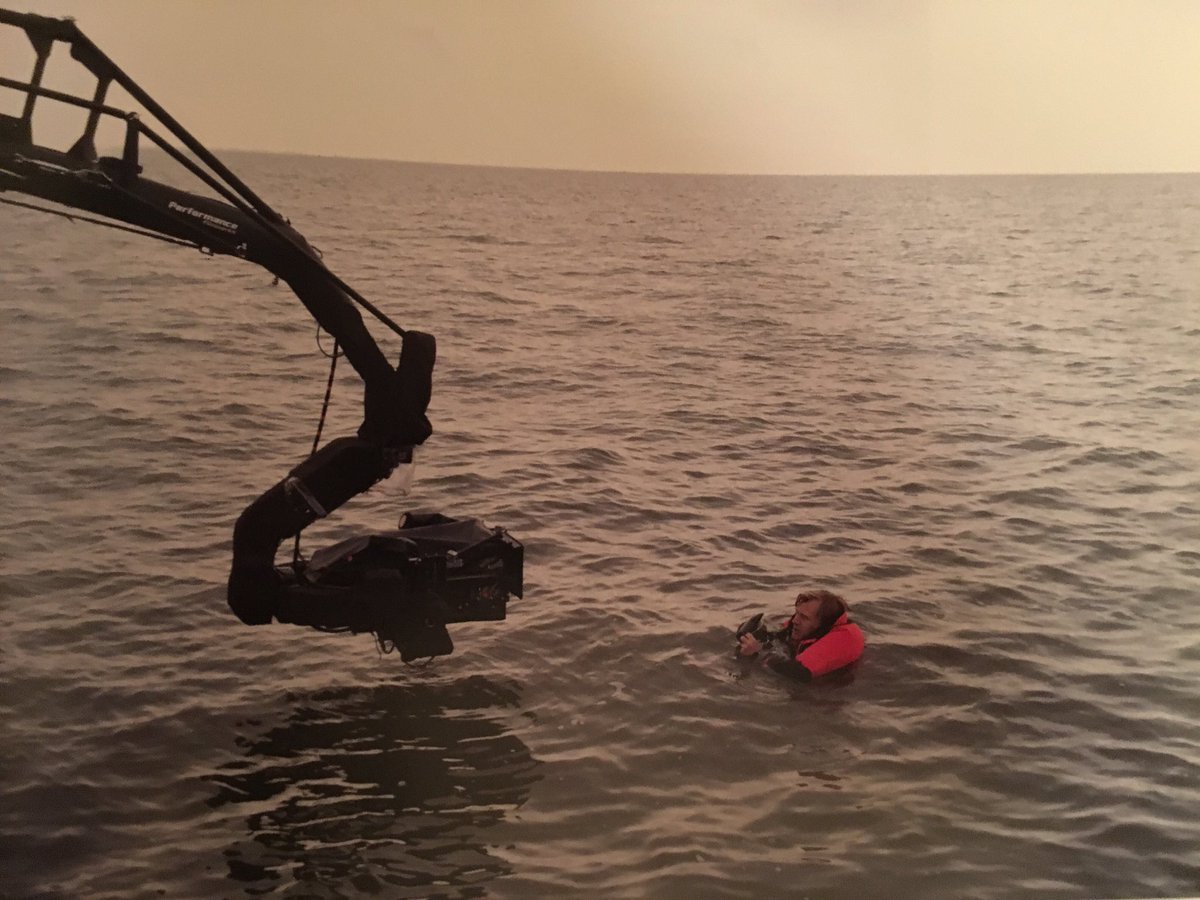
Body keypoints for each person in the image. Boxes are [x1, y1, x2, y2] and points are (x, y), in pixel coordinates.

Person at [737, 589, 864, 681]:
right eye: (797, 613)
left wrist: (758, 653)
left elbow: (798, 673)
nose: (795, 620)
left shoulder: (843, 639)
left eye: (804, 617)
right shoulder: (802, 625)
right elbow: (780, 637)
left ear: (823, 624)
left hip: (821, 697)